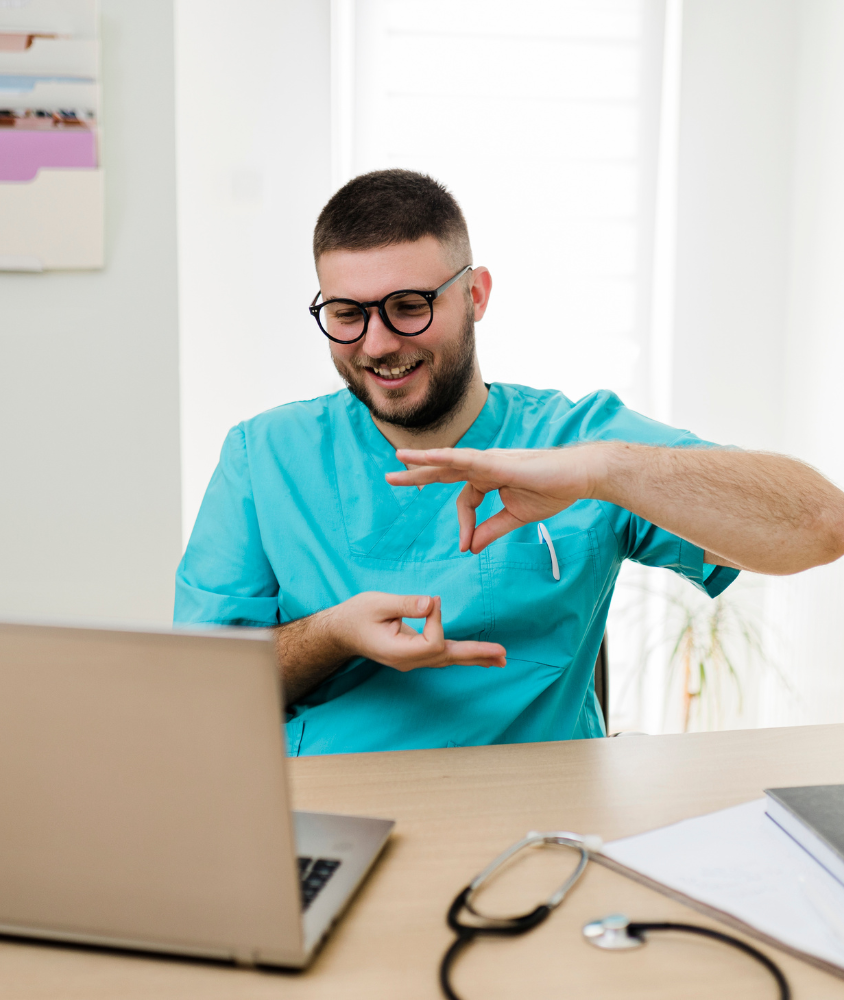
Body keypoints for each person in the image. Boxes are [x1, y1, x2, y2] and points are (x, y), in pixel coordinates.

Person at [175, 169, 844, 756]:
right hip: (332, 809)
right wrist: (331, 634)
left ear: (476, 295)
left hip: (539, 821)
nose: (376, 344)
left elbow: (820, 524)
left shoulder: (577, 438)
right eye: (347, 314)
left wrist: (602, 471)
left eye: (409, 307)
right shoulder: (263, 455)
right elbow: (199, 692)